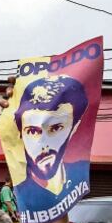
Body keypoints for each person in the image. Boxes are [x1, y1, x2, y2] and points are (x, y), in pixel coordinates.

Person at [12, 75, 89, 212]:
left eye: (56, 128)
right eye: (33, 131)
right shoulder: (20, 190)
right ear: (20, 132)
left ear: (74, 127)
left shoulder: (77, 178)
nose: (44, 145)